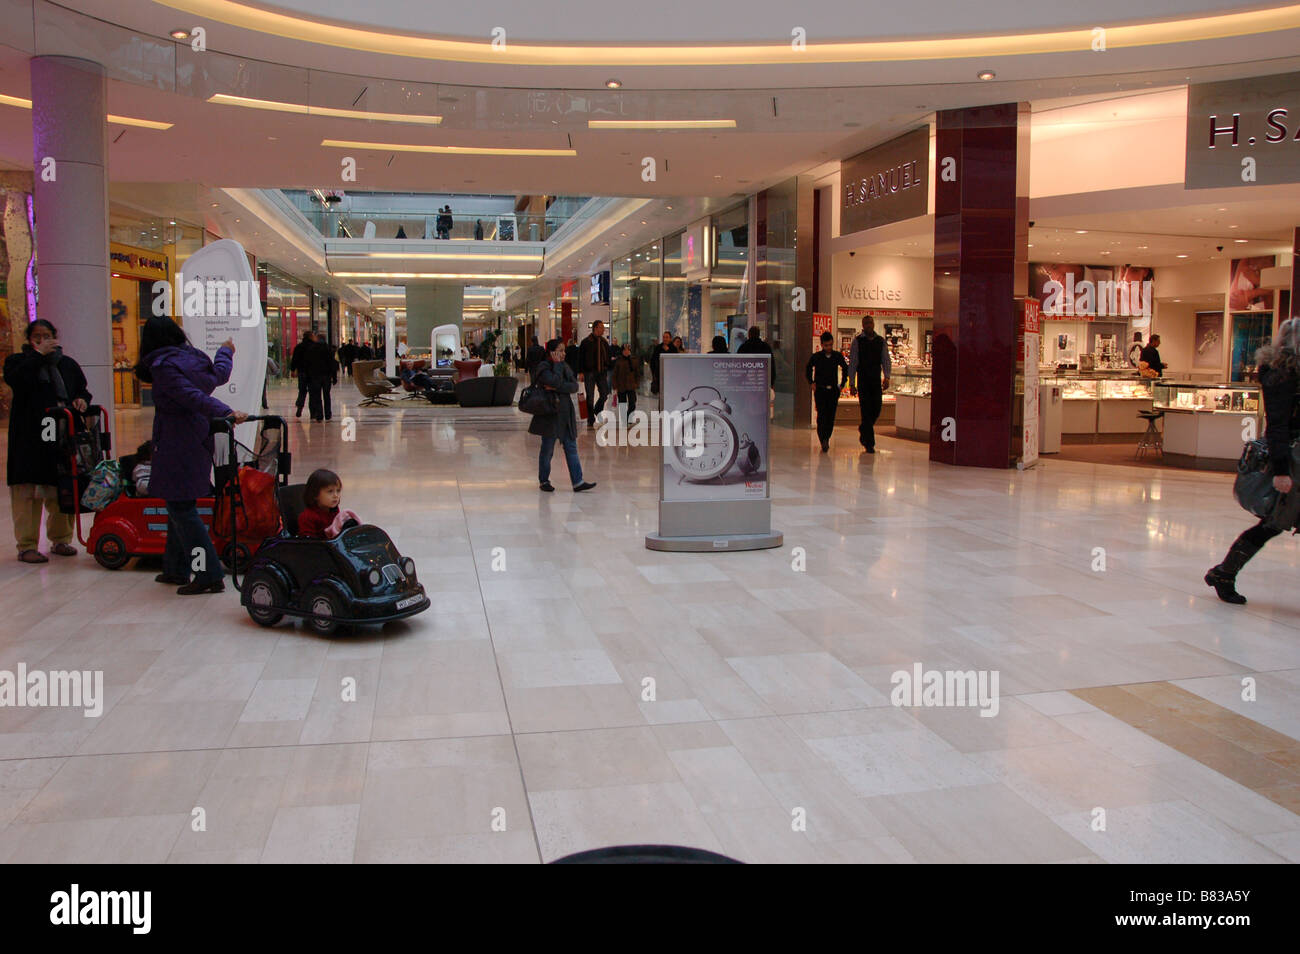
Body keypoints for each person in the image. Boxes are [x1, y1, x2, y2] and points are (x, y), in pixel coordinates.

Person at [135, 316, 247, 594]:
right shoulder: (192, 358)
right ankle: (175, 569)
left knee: (181, 508)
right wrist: (225, 351)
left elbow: (188, 396)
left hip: (177, 438)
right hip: (196, 435)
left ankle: (208, 574)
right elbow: (218, 375)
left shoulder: (163, 366)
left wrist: (227, 412)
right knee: (178, 501)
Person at [1206, 318, 1300, 604]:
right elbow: (1279, 425)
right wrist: (1282, 471)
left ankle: (1224, 572)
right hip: (1293, 458)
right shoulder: (1281, 374)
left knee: (1274, 523)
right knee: (1273, 522)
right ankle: (1224, 572)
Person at [4, 319, 91, 563]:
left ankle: (61, 539)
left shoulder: (67, 364)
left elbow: (82, 390)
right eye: (37, 336)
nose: (43, 340)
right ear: (29, 339)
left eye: (47, 335)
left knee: (61, 488)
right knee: (27, 493)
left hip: (61, 437)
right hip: (29, 439)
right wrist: (37, 356)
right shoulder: (18, 362)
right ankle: (27, 544)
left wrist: (81, 401)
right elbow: (17, 381)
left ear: (56, 337)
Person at [529, 339, 596, 493]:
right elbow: (554, 379)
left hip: (566, 414)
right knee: (547, 449)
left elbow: (573, 385)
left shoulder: (565, 366)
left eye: (564, 350)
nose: (564, 353)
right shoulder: (544, 367)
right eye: (560, 350)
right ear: (552, 352)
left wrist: (557, 386)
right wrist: (557, 367)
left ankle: (577, 481)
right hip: (550, 414)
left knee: (571, 447)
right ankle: (544, 480)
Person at [847, 316, 891, 453]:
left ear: (873, 324)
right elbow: (853, 362)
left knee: (877, 408)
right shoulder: (857, 341)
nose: (868, 325)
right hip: (863, 382)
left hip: (876, 381)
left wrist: (887, 376)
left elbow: (885, 360)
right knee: (865, 411)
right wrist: (852, 383)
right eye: (865, 323)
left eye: (870, 322)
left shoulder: (880, 341)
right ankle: (869, 443)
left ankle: (864, 428)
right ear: (862, 325)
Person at [807, 331, 849, 453]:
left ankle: (826, 438)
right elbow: (808, 367)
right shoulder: (817, 357)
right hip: (820, 389)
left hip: (833, 390)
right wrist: (811, 382)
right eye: (826, 345)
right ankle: (823, 439)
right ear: (822, 345)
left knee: (830, 416)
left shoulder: (837, 356)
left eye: (830, 345)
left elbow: (845, 368)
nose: (828, 348)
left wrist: (842, 384)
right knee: (821, 416)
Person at [297, 469, 360, 539]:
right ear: (315, 494)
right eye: (330, 491)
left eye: (338, 491)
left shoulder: (334, 510)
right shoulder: (308, 517)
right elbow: (308, 543)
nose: (336, 495)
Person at [579, 320, 612, 427]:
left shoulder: (604, 342)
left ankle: (597, 409)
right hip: (589, 372)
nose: (603, 330)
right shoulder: (586, 342)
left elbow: (607, 356)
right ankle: (590, 418)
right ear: (595, 328)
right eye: (601, 327)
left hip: (601, 372)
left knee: (604, 393)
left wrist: (607, 366)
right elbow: (580, 358)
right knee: (590, 396)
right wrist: (580, 372)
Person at [305, 333, 339, 422]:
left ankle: (319, 414)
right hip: (326, 376)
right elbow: (332, 364)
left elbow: (308, 364)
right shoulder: (328, 349)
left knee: (317, 395)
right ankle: (328, 414)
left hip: (315, 376)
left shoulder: (311, 349)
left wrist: (308, 376)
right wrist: (334, 377)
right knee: (327, 395)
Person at [612, 343, 643, 417]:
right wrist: (615, 386)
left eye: (628, 350)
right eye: (625, 350)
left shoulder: (634, 360)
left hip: (631, 385)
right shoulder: (618, 361)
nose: (626, 351)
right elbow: (614, 375)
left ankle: (628, 416)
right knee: (622, 404)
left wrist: (636, 383)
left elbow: (637, 374)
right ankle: (624, 419)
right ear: (622, 351)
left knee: (632, 404)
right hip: (621, 386)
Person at [290, 330, 315, 418]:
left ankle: (300, 407)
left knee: (302, 390)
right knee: (312, 392)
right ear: (310, 337)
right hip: (312, 373)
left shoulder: (299, 347)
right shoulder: (314, 346)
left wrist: (293, 370)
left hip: (302, 372)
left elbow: (294, 359)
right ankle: (313, 412)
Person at [650, 331, 675, 396]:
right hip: (659, 375)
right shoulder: (658, 347)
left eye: (667, 337)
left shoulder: (673, 348)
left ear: (670, 338)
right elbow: (652, 361)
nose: (665, 339)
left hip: (671, 376)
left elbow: (674, 361)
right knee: (661, 395)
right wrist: (654, 373)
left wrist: (667, 351)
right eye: (664, 337)